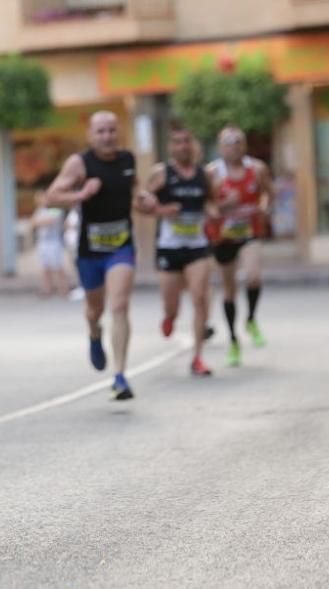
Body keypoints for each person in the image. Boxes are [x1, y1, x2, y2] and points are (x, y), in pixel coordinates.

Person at [46, 111, 139, 400]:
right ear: (91, 135)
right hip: (90, 251)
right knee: (94, 310)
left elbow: (134, 190)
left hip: (121, 246)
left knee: (120, 305)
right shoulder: (80, 163)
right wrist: (81, 195)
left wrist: (144, 199)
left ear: (118, 132)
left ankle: (120, 376)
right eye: (101, 131)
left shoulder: (128, 160)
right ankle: (94, 333)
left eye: (112, 130)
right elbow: (51, 197)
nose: (107, 136)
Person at [138, 120, 215, 376]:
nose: (183, 147)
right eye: (178, 142)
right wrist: (161, 210)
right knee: (172, 304)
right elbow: (140, 206)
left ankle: (198, 357)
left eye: (187, 141)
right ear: (170, 147)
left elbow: (212, 203)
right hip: (169, 247)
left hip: (197, 246)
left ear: (193, 145)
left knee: (200, 296)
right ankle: (169, 316)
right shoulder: (161, 174)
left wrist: (215, 211)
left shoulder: (204, 175)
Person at [206, 126, 274, 367]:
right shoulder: (212, 173)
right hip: (223, 237)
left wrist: (265, 206)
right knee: (229, 290)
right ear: (220, 147)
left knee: (254, 276)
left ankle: (252, 319)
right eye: (228, 143)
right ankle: (234, 340)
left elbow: (267, 193)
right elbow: (207, 206)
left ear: (244, 146)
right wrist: (224, 206)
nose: (233, 148)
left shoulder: (256, 169)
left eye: (238, 143)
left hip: (249, 231)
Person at [29, 190, 70, 297]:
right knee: (45, 267)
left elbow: (49, 221)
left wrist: (39, 221)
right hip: (43, 242)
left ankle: (64, 289)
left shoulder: (56, 210)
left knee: (58, 267)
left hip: (54, 242)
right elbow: (33, 222)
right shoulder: (40, 210)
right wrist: (39, 221)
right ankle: (47, 289)